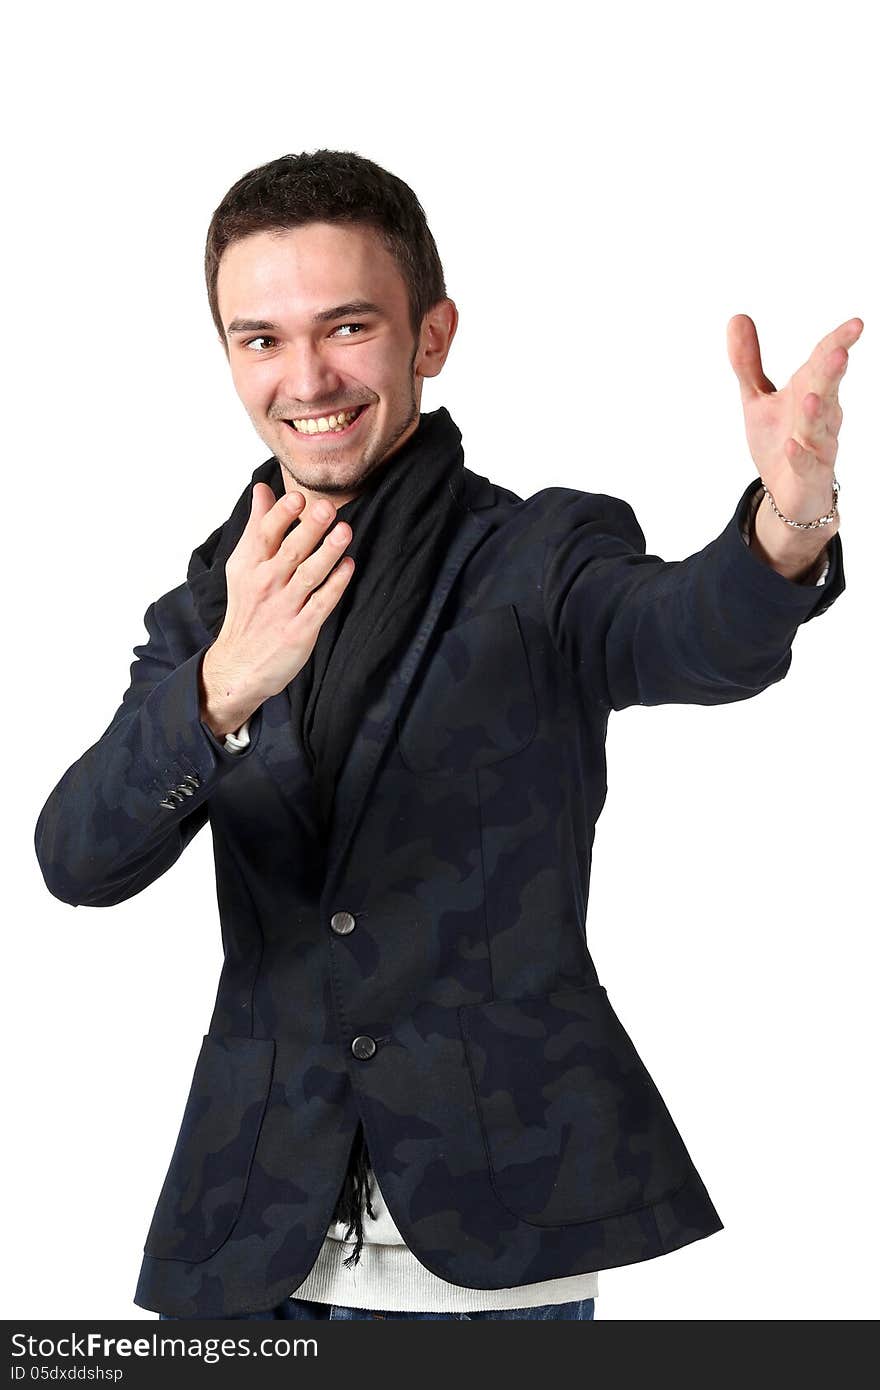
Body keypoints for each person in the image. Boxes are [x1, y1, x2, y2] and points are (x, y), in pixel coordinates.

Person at [34, 149, 856, 1322]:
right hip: (250, 1241)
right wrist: (219, 690)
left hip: (491, 1239)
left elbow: (691, 631)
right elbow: (78, 858)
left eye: (348, 326)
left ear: (431, 335)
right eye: (258, 338)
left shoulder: (537, 558)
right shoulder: (215, 602)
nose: (304, 376)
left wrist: (786, 522)